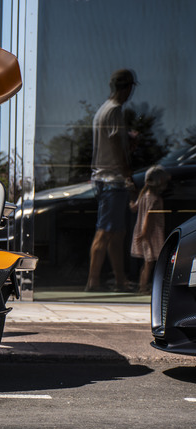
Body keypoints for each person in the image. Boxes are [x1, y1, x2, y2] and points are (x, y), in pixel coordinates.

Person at [85, 69, 138, 292]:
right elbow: (115, 146)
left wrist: (129, 141)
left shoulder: (102, 111)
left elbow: (113, 142)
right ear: (127, 88)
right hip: (112, 179)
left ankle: (119, 280)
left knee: (117, 232)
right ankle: (93, 282)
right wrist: (127, 174)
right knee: (106, 231)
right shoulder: (114, 111)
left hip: (103, 178)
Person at [130, 165, 170, 293]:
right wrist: (145, 233)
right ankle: (144, 286)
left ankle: (143, 285)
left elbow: (134, 207)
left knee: (147, 263)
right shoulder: (155, 199)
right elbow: (149, 217)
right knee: (150, 263)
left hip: (146, 233)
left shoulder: (143, 196)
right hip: (152, 234)